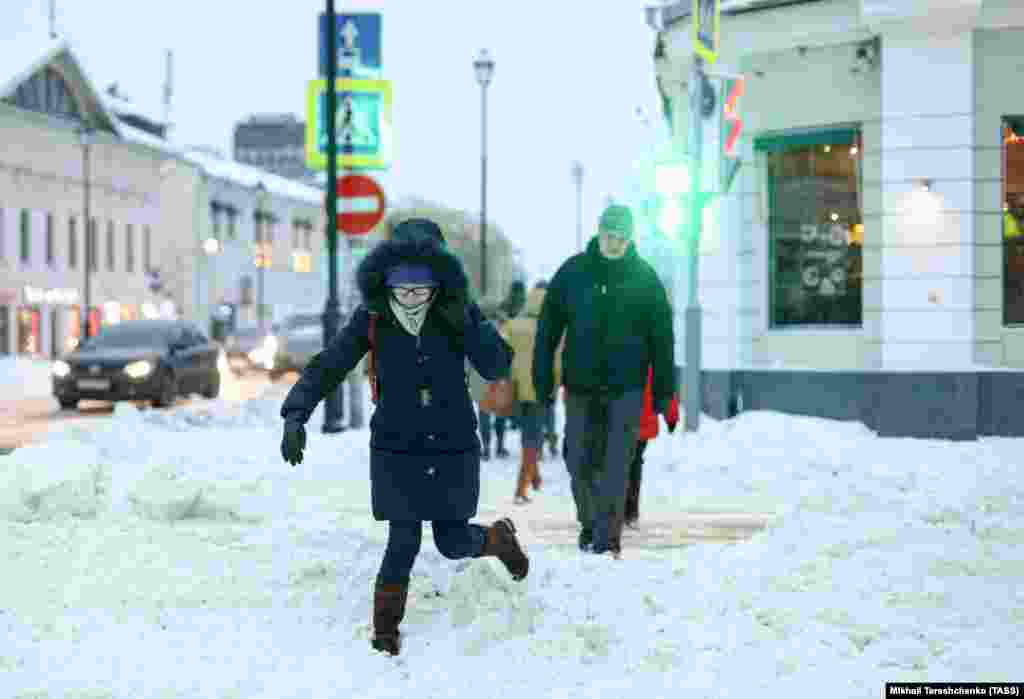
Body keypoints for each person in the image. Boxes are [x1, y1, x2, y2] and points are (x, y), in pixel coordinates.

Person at [279, 217, 528, 657]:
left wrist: (468, 319)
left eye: (421, 289)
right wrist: (296, 413)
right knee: (403, 540)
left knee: (452, 542)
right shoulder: (373, 318)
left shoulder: (455, 313)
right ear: (386, 280)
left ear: (439, 282)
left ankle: (498, 540)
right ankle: (385, 632)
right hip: (397, 448)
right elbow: (330, 363)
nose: (410, 298)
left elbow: (496, 364)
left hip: (451, 444)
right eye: (401, 288)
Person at [533, 203, 675, 558]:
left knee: (616, 464)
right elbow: (547, 329)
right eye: (609, 236)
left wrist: (663, 391)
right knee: (577, 458)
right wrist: (542, 379)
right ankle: (590, 522)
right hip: (580, 386)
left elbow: (662, 340)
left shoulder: (645, 279)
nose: (614, 243)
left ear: (630, 239)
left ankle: (607, 540)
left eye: (621, 238)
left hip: (627, 388)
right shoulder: (573, 273)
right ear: (599, 232)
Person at [503, 284, 561, 504]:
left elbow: (503, 355)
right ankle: (521, 489)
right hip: (539, 390)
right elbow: (557, 364)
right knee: (533, 440)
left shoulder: (513, 325)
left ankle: (534, 475)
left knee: (527, 437)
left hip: (516, 389)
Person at [625, 366, 679, 527]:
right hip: (642, 421)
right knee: (634, 464)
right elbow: (664, 387)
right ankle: (631, 512)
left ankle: (617, 510)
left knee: (617, 463)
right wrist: (671, 416)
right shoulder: (651, 359)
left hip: (618, 420)